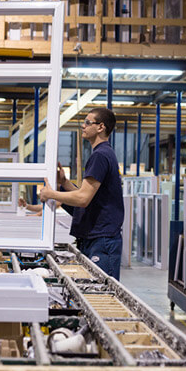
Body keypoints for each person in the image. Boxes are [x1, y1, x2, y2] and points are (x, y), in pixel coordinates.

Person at [40, 107, 124, 280]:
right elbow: (88, 195)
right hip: (97, 237)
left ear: (100, 127)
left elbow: (83, 199)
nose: (83, 127)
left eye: (87, 122)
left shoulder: (100, 155)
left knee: (101, 293)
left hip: (102, 240)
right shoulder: (103, 153)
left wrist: (51, 193)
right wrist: (64, 182)